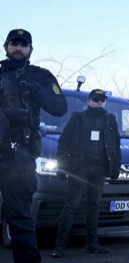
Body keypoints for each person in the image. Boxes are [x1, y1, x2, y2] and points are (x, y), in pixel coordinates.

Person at [0, 29, 67, 263]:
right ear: (6, 47)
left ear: (30, 49)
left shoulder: (41, 76)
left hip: (19, 154)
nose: (18, 48)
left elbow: (60, 107)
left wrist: (35, 90)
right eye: (14, 44)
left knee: (19, 217)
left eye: (23, 44)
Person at [52, 89, 122, 258]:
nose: (99, 102)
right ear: (89, 101)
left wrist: (116, 168)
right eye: (96, 99)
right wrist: (61, 167)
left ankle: (91, 243)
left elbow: (116, 145)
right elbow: (63, 142)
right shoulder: (78, 118)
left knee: (94, 206)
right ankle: (60, 246)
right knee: (72, 204)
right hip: (79, 168)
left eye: (102, 99)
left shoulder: (110, 120)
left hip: (99, 169)